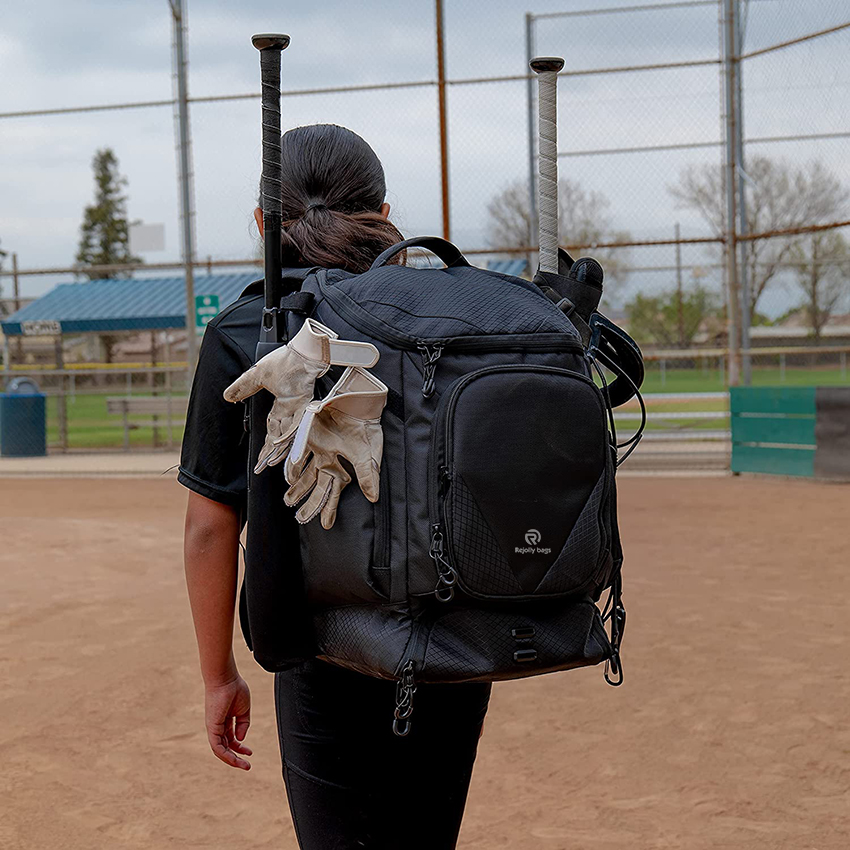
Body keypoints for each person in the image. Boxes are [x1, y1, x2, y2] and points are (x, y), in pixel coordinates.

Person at [179, 124, 491, 849]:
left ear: (262, 223)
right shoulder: (445, 313)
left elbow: (208, 527)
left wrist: (218, 674)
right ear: (383, 212)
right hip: (451, 633)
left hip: (320, 642)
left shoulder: (247, 333)